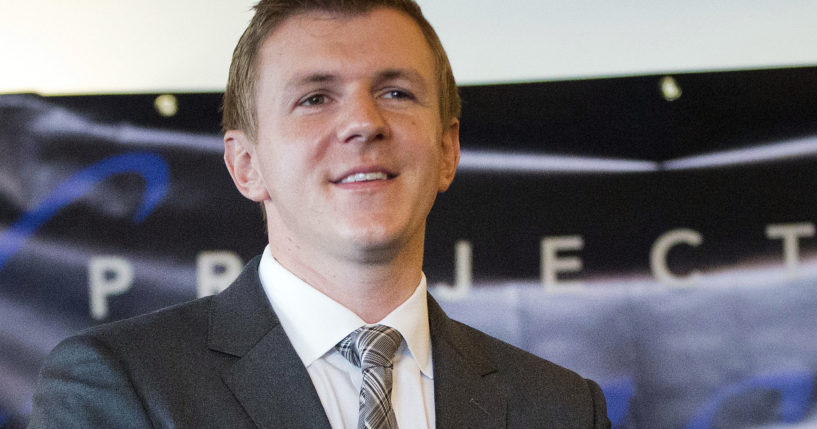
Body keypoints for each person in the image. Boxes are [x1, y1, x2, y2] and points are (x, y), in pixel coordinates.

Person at [29, 0, 611, 427]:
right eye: (314, 98)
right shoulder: (121, 386)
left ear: (447, 149)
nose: (363, 122)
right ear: (246, 164)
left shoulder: (560, 408)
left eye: (396, 92)